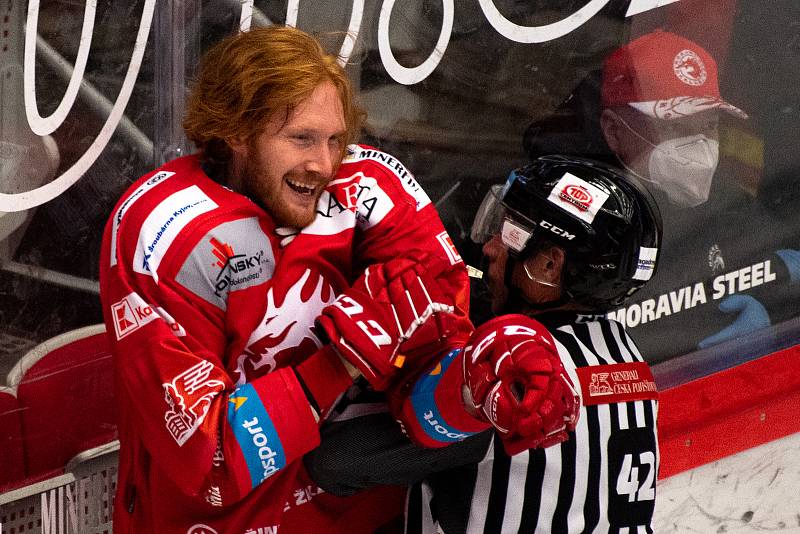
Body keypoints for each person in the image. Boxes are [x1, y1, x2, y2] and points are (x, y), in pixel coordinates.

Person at [99, 25, 477, 533]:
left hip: (364, 518)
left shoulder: (368, 192)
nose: (323, 164)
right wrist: (341, 362)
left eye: (335, 140)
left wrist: (479, 382)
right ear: (236, 130)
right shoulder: (165, 232)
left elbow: (441, 340)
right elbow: (210, 463)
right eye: (300, 138)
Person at [306, 155, 663, 532]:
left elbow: (336, 464)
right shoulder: (627, 357)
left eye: (510, 230)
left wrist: (351, 360)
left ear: (549, 266)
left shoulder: (519, 372)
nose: (490, 246)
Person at [524, 30, 800, 363]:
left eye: (708, 124)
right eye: (675, 126)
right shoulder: (570, 217)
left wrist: (774, 298)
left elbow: (768, 257)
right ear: (614, 131)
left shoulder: (725, 198)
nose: (699, 146)